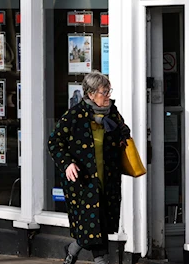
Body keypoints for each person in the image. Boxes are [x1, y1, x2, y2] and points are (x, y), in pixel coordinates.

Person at [48, 71, 131, 264]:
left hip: (107, 179)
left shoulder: (112, 112)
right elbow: (54, 142)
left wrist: (122, 139)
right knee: (94, 227)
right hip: (83, 182)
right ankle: (101, 261)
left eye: (109, 91)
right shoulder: (75, 115)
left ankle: (71, 249)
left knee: (96, 226)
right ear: (91, 93)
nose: (108, 95)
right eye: (104, 92)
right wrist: (67, 163)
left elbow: (123, 129)